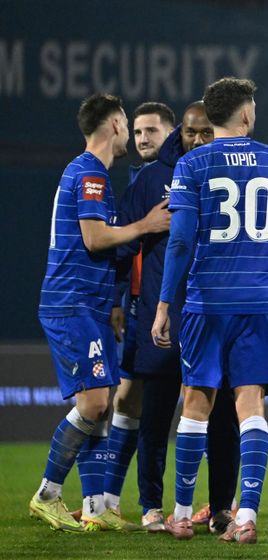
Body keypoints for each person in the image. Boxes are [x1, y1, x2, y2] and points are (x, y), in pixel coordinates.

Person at [151, 77, 268, 544]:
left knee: (196, 402)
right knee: (251, 404)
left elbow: (179, 241)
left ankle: (179, 514)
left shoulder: (191, 163)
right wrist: (257, 257)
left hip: (206, 299)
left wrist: (163, 303)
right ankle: (246, 517)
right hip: (258, 301)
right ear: (245, 114)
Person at [29, 92, 170, 532]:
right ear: (113, 124)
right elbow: (93, 238)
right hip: (72, 304)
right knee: (93, 403)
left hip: (89, 305)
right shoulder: (89, 172)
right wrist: (145, 225)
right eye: (128, 123)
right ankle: (48, 493)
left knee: (103, 405)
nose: (131, 132)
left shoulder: (94, 175)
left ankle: (96, 507)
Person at [113, 101, 243, 533]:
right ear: (180, 135)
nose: (199, 140)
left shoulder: (233, 178)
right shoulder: (152, 179)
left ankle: (221, 506)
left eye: (207, 132)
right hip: (161, 316)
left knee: (222, 415)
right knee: (155, 415)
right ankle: (151, 505)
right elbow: (121, 246)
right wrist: (117, 301)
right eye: (191, 133)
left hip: (215, 316)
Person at [98, 100, 174, 523]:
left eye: (153, 132)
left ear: (169, 136)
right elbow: (124, 252)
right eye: (139, 131)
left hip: (175, 311)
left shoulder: (173, 178)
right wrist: (116, 300)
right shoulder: (136, 182)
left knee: (183, 404)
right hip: (141, 311)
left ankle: (212, 504)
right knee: (128, 400)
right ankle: (110, 496)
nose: (143, 138)